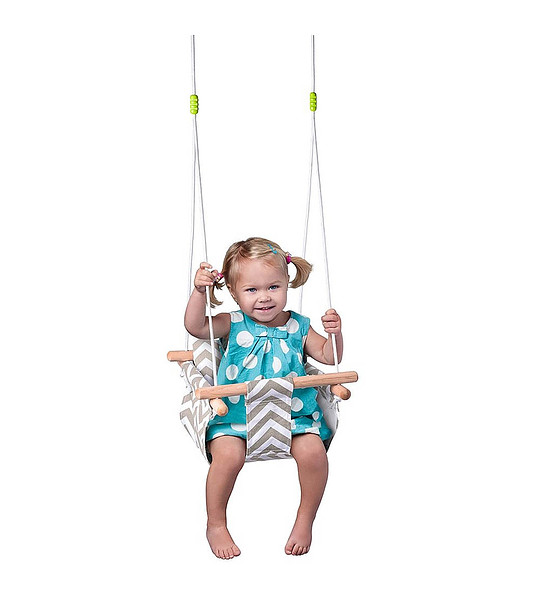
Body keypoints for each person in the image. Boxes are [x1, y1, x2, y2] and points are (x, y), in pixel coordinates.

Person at [184, 237, 343, 559]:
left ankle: (305, 520)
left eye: (273, 287)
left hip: (294, 417)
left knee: (314, 454)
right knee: (228, 457)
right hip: (235, 417)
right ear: (233, 292)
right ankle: (216, 523)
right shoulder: (232, 323)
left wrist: (335, 333)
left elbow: (329, 357)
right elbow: (196, 327)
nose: (264, 297)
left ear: (287, 283)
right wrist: (199, 292)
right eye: (251, 289)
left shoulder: (299, 326)